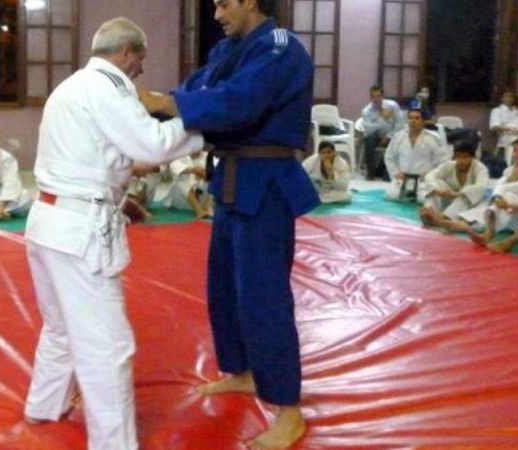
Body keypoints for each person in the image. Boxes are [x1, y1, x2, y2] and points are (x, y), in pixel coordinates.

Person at [137, 1, 319, 448]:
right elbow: (197, 90)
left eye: (223, 3)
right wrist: (144, 123)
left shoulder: (280, 48)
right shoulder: (226, 51)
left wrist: (164, 102)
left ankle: (288, 410)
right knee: (224, 285)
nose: (216, 14)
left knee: (265, 296)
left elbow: (238, 103)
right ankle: (242, 371)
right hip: (231, 179)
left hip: (267, 182)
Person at [22, 17, 203, 450]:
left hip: (48, 222)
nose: (140, 71)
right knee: (108, 345)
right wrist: (203, 126)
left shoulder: (70, 87)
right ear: (126, 53)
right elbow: (153, 144)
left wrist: (121, 198)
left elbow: (99, 157)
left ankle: (42, 404)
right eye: (139, 61)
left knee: (61, 328)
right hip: (77, 231)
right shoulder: (108, 84)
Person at [453, 137, 518, 236]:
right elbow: (499, 185)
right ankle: (466, 223)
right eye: (515, 150)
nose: (517, 153)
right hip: (501, 205)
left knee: (508, 197)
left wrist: (504, 199)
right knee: (478, 208)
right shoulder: (511, 169)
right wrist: (498, 197)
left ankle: (486, 231)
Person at [420, 141, 489, 230]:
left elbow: (481, 187)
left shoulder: (481, 169)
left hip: (472, 203)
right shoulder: (449, 165)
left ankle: (443, 218)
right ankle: (430, 211)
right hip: (452, 200)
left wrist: (457, 194)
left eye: (465, 157)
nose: (460, 160)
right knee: (437, 184)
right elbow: (430, 175)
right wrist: (438, 190)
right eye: (458, 156)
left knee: (466, 195)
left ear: (473, 157)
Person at [384, 109, 446, 202]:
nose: (413, 121)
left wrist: (430, 175)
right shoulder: (398, 136)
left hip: (424, 178)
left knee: (423, 200)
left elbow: (442, 161)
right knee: (391, 196)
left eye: (417, 118)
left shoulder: (433, 138)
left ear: (424, 121)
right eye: (410, 118)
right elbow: (389, 157)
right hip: (403, 177)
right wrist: (395, 173)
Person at [361, 84, 401, 180]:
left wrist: (389, 136)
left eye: (378, 96)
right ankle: (370, 172)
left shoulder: (393, 106)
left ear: (383, 96)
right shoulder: (367, 111)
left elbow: (400, 125)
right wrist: (382, 118)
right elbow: (369, 130)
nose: (376, 99)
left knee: (398, 140)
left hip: (392, 135)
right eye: (373, 96)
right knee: (369, 139)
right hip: (376, 136)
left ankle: (384, 171)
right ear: (370, 97)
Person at [161, 150, 214, 218]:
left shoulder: (208, 155)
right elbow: (174, 167)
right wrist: (194, 171)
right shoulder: (178, 154)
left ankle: (209, 206)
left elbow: (217, 169)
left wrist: (205, 174)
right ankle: (198, 210)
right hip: (182, 199)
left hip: (203, 197)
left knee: (217, 177)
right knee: (182, 178)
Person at [489, 89, 518, 164]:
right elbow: (494, 126)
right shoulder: (497, 111)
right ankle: (511, 166)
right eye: (506, 96)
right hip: (508, 135)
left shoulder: (517, 111)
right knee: (517, 141)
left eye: (511, 96)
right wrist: (509, 128)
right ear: (501, 98)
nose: (509, 98)